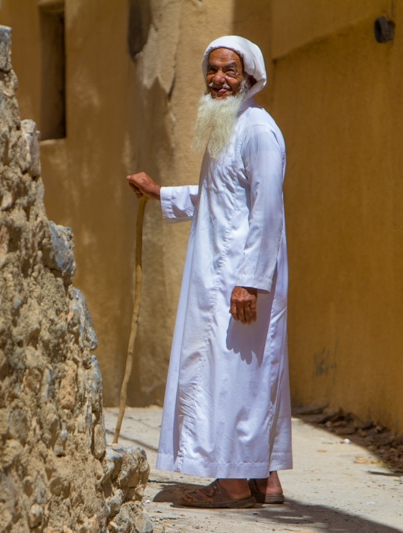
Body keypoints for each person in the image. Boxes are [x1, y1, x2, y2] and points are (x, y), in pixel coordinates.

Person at [126, 35, 291, 508]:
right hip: (227, 277)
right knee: (250, 373)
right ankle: (265, 480)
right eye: (213, 71)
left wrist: (250, 281)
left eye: (229, 71)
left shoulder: (258, 130)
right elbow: (221, 198)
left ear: (249, 77)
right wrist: (161, 194)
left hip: (242, 280)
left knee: (234, 374)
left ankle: (233, 486)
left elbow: (267, 212)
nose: (218, 80)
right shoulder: (228, 128)